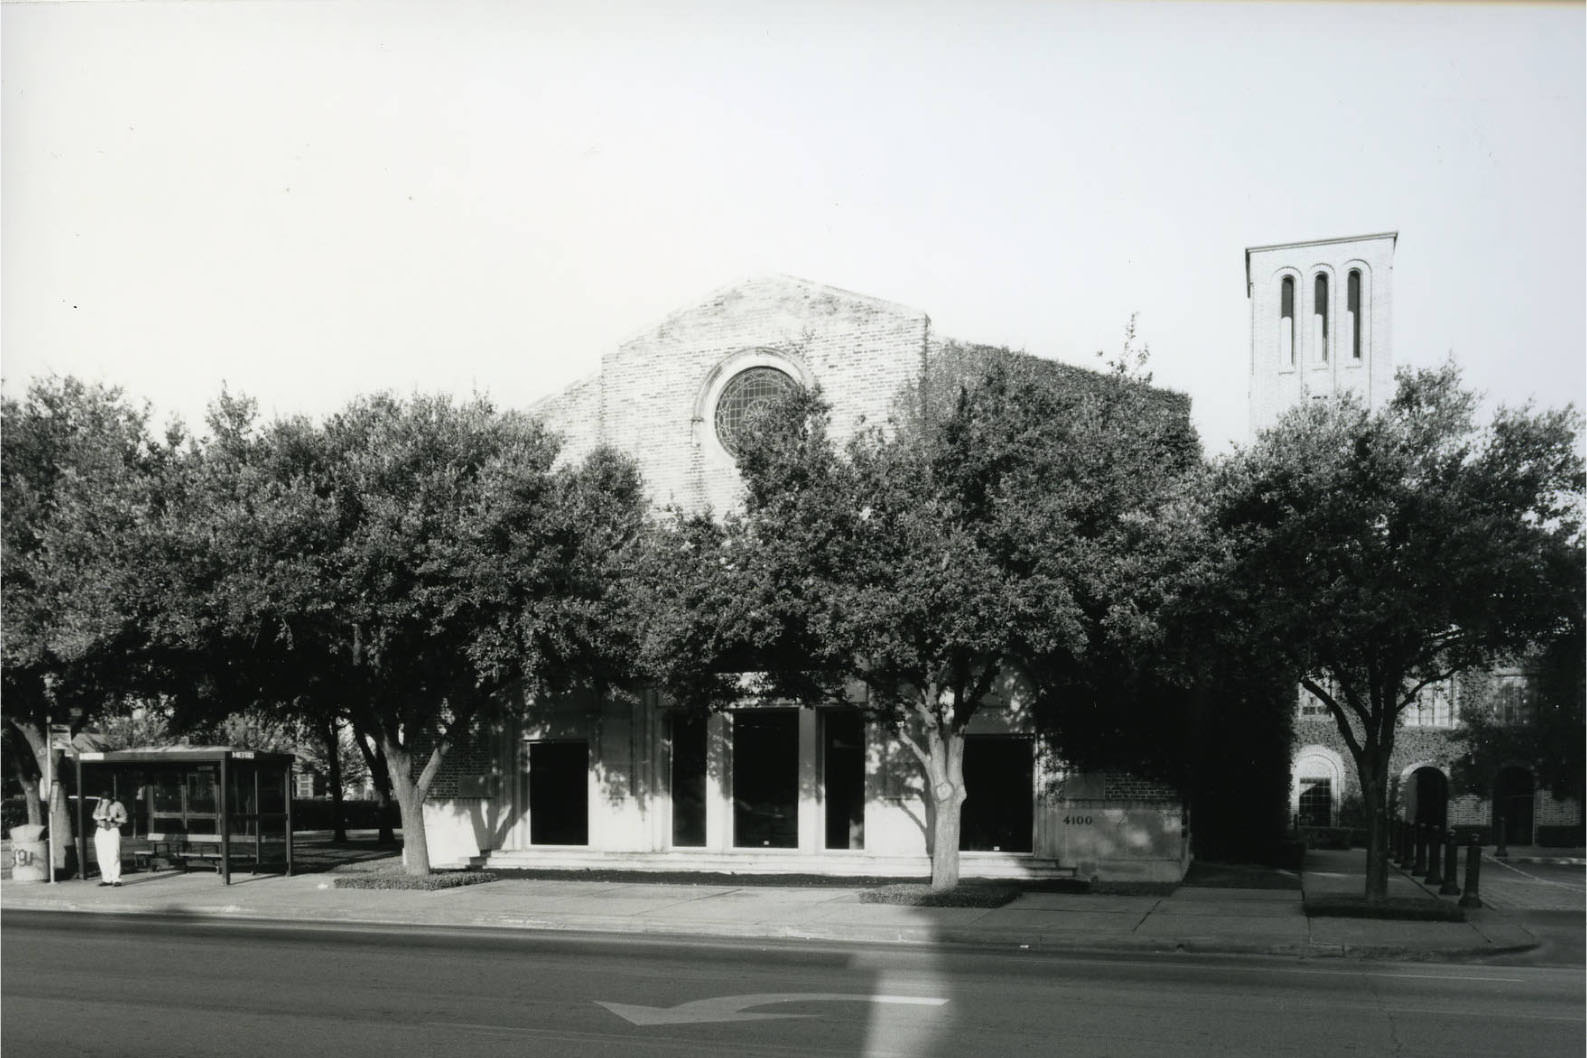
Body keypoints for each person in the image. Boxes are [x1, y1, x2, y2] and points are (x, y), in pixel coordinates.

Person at [92, 794, 128, 886]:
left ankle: (116, 879)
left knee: (114, 854)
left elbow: (124, 819)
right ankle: (106, 878)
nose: (105, 801)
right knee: (102, 855)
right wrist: (99, 817)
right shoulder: (99, 803)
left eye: (106, 799)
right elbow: (94, 815)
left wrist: (113, 819)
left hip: (112, 829)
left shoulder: (118, 805)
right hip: (101, 829)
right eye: (103, 798)